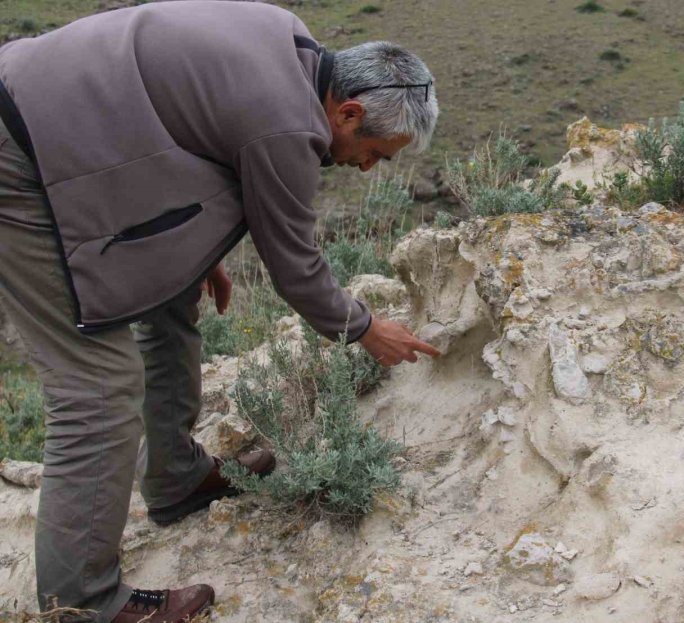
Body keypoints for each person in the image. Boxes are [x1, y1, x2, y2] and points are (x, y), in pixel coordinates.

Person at [0, 1, 441, 621]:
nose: (368, 168)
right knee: (97, 388)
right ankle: (81, 603)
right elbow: (295, 267)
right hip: (19, 161)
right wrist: (366, 329)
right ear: (348, 112)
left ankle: (175, 477)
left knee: (171, 296)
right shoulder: (287, 124)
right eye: (376, 152)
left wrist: (191, 245)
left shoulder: (286, 39)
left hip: (52, 132)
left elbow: (166, 118)